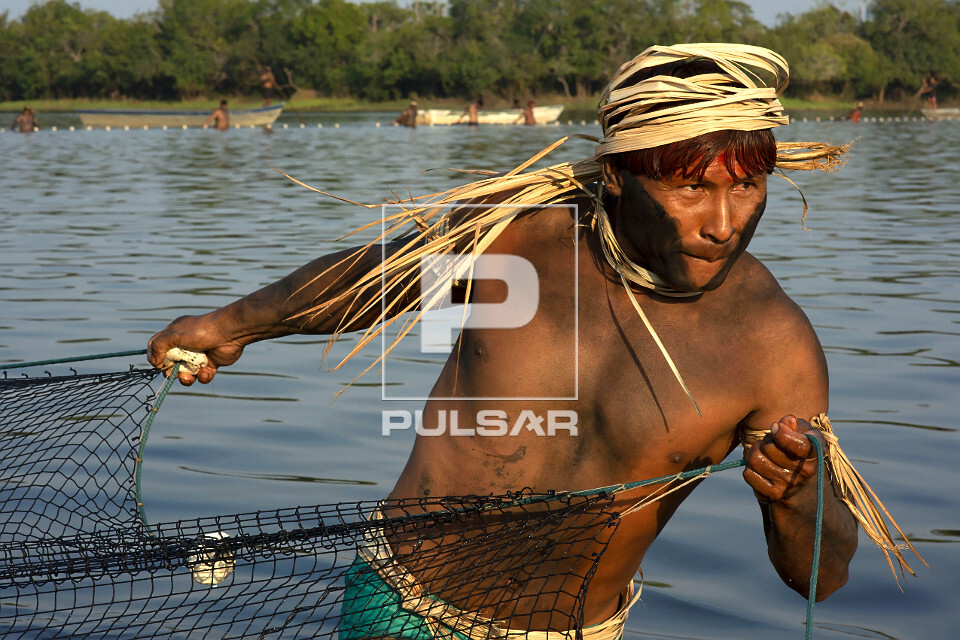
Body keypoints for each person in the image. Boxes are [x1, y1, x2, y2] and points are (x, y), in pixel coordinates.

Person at [150, 44, 919, 639]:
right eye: (690, 188)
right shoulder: (515, 239)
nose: (724, 222)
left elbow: (818, 579)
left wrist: (801, 495)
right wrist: (230, 326)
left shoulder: (773, 347)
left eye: (745, 186)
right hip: (406, 607)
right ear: (618, 175)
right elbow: (369, 280)